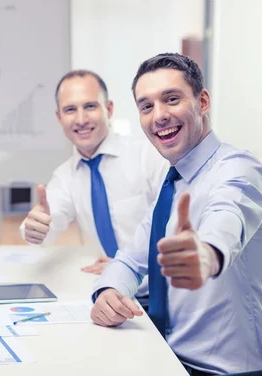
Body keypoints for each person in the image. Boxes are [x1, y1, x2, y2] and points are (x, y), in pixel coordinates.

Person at [90, 53, 262, 374]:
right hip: (170, 358)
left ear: (203, 101)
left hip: (230, 370)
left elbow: (225, 223)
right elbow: (129, 260)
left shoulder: (239, 168)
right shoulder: (172, 185)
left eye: (171, 99)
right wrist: (109, 292)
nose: (159, 116)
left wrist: (205, 256)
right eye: (147, 106)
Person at [20, 69, 167, 299]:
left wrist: (125, 267)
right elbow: (48, 221)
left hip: (166, 292)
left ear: (108, 109)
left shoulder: (148, 155)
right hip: (115, 294)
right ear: (59, 118)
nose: (80, 120)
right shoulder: (66, 176)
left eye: (90, 106)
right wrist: (34, 229)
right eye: (70, 110)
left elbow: (178, 226)